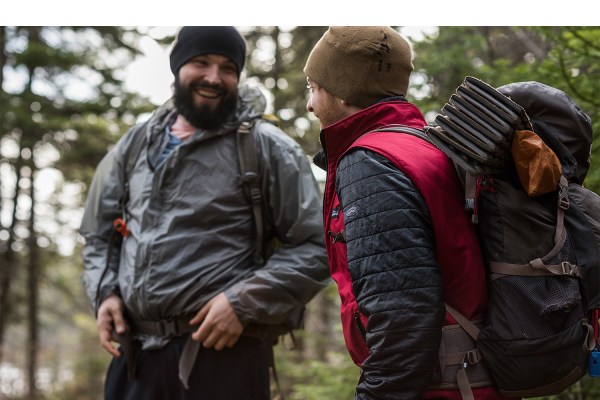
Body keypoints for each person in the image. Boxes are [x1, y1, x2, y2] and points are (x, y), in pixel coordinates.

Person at [80, 26, 329, 400]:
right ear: (177, 67)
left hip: (226, 358)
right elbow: (98, 235)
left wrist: (242, 302)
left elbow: (318, 245)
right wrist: (106, 293)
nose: (214, 77)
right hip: (134, 359)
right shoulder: (134, 144)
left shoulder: (266, 147)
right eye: (201, 63)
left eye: (227, 68)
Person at [304, 26, 510, 399]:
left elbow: (402, 320)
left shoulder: (371, 162)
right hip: (477, 380)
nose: (310, 104)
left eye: (313, 87)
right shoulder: (422, 145)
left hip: (442, 388)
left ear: (342, 88)